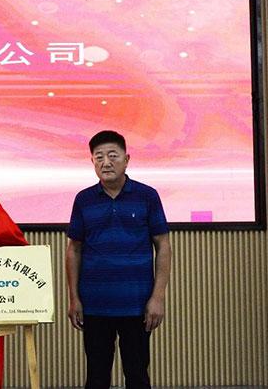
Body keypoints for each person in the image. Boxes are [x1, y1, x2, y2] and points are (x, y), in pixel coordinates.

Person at [65, 130, 172, 389]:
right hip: (94, 304)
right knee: (96, 377)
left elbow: (163, 246)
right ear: (92, 162)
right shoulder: (84, 199)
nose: (106, 162)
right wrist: (74, 298)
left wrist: (157, 297)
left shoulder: (147, 196)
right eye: (99, 157)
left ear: (127, 159)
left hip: (137, 304)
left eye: (113, 155)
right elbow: (74, 249)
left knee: (137, 375)